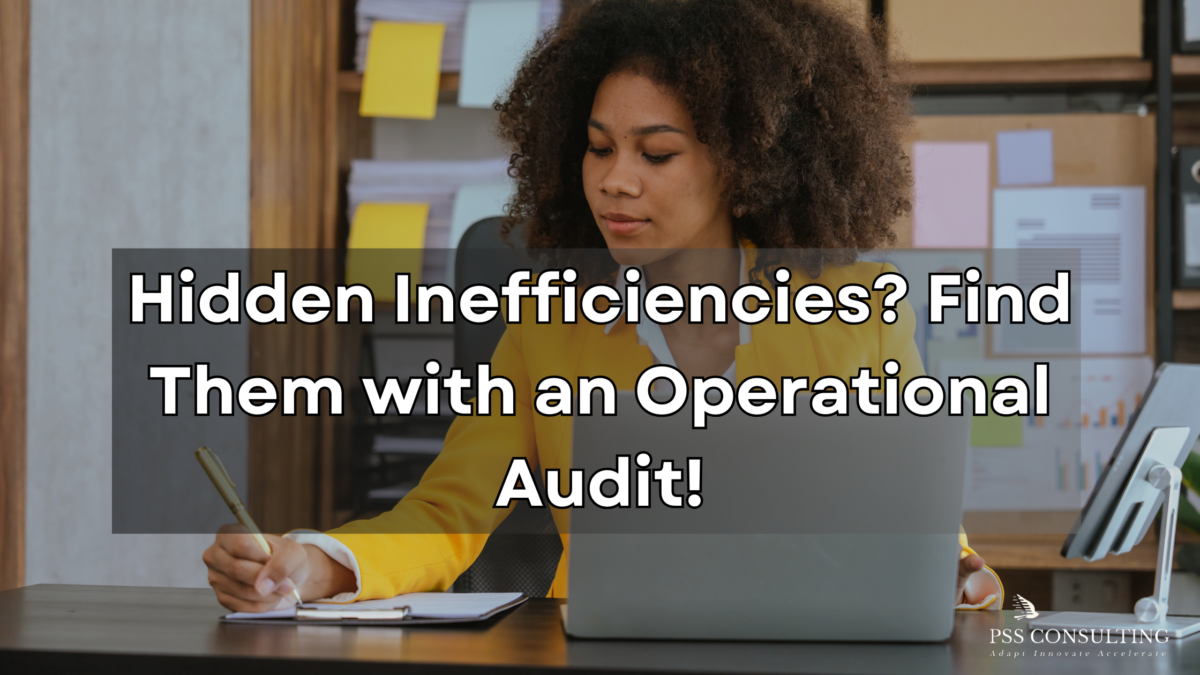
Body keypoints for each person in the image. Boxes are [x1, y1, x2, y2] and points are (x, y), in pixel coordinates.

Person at [203, 0, 1003, 613]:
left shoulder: (854, 313)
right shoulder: (549, 331)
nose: (614, 180)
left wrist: (965, 579)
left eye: (656, 153)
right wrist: (313, 562)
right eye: (597, 147)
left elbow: (919, 525)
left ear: (745, 161)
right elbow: (447, 512)